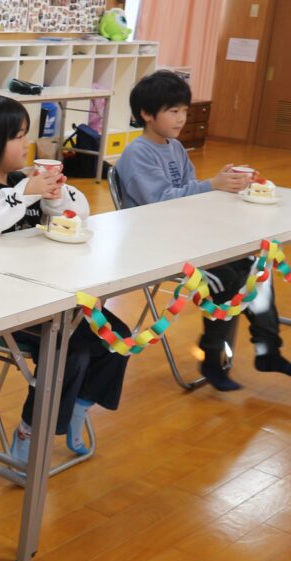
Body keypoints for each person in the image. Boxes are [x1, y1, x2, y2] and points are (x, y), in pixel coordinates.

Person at [0, 94, 129, 463]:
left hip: (47, 297)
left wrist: (55, 198)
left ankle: (78, 407)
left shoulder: (22, 181)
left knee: (117, 338)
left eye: (25, 134)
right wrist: (24, 194)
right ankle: (30, 431)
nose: (26, 143)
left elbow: (80, 213)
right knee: (71, 352)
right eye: (17, 136)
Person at [116, 70, 290, 390]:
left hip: (187, 238)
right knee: (227, 280)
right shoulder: (137, 153)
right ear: (146, 114)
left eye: (184, 110)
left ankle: (267, 349)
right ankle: (212, 359)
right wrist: (211, 185)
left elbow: (190, 193)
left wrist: (223, 184)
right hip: (155, 245)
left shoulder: (175, 148)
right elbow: (160, 202)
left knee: (257, 269)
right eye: (173, 111)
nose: (182, 118)